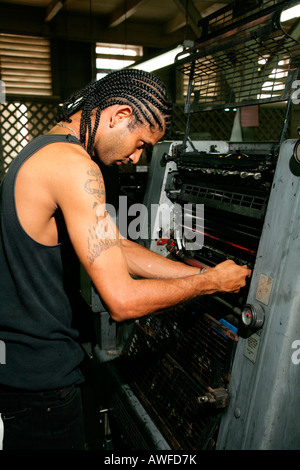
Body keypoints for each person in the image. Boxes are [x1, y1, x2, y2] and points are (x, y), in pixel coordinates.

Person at [0, 69, 251, 450]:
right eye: (139, 143)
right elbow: (121, 301)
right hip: (42, 386)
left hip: (22, 372)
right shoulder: (75, 165)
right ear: (118, 115)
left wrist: (197, 271)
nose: (135, 158)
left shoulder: (46, 148)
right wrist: (208, 284)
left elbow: (113, 244)